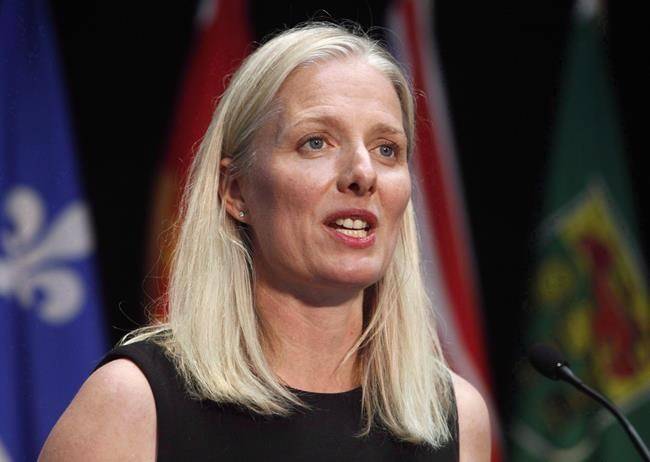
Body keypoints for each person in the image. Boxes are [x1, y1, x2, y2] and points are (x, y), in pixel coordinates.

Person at [39, 23, 490, 461]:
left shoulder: (454, 417)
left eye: (386, 149)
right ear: (235, 191)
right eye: (316, 142)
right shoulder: (134, 405)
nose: (363, 174)